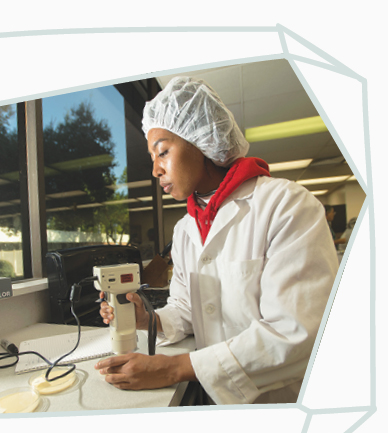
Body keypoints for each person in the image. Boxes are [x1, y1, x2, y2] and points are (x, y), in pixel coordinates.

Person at [95, 76, 339, 405]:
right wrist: (147, 319)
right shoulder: (185, 230)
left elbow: (297, 332)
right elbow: (187, 309)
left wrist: (173, 369)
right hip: (214, 397)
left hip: (279, 402)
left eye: (163, 152)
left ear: (202, 140)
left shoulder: (286, 205)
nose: (155, 170)